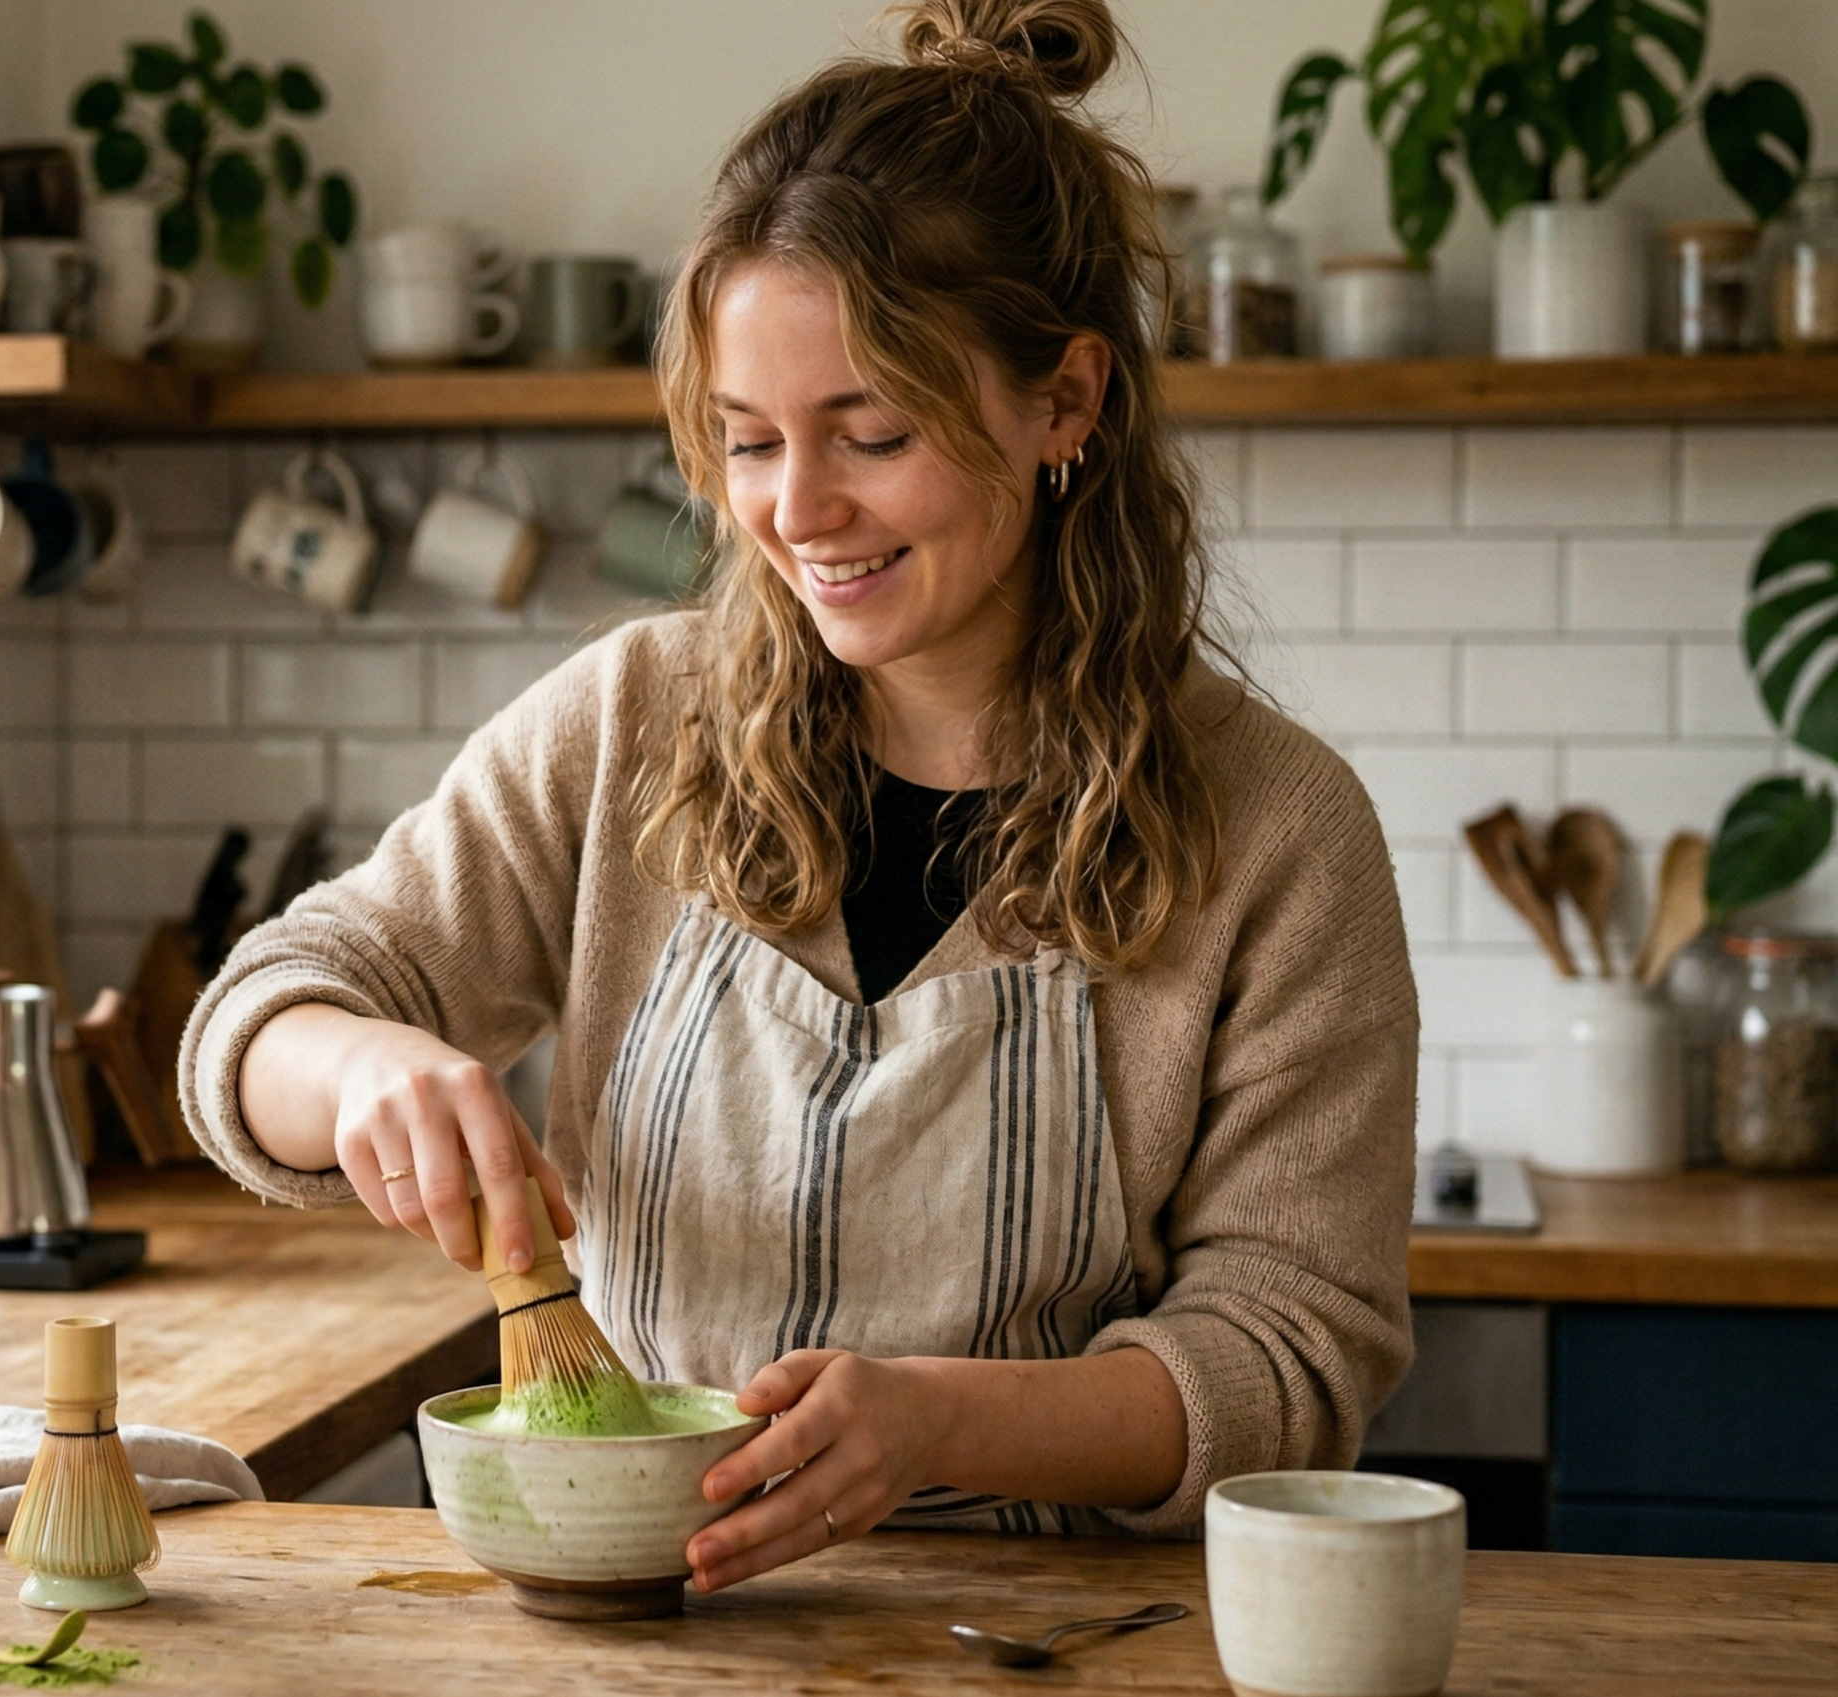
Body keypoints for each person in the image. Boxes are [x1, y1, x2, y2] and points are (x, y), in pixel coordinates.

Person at [178, 0, 1415, 1593]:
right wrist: (356, 1072)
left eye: (872, 433)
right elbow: (261, 1016)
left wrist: (943, 1424)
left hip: (1053, 1645)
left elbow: (1289, 1362)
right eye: (748, 443)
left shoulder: (1277, 830)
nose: (798, 511)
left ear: (1068, 404)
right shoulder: (633, 723)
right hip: (636, 1612)